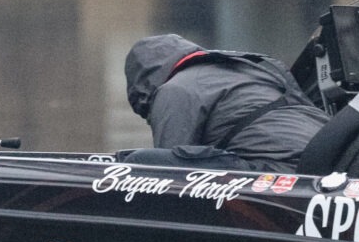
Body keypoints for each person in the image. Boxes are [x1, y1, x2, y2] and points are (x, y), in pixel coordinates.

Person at [121, 33, 328, 172]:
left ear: (144, 85)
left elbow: (170, 173)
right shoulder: (247, 69)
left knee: (141, 162)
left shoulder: (174, 89)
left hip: (276, 171)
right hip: (329, 160)